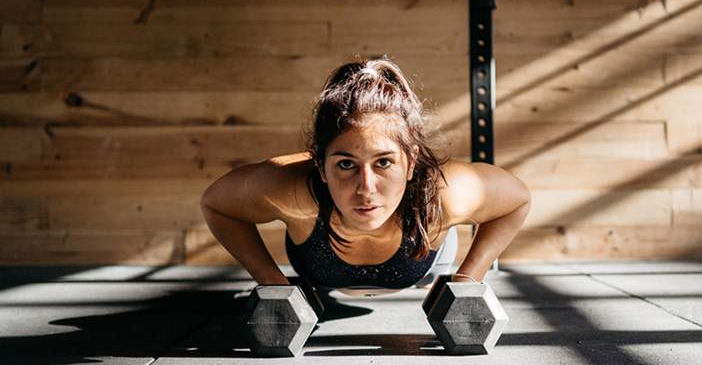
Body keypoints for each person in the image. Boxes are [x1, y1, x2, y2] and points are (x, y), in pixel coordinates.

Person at [200, 56, 531, 300]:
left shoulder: (444, 193)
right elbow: (217, 204)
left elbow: (517, 200)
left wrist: (467, 280)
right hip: (321, 279)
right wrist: (271, 284)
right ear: (320, 165)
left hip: (426, 267)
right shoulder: (291, 189)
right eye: (346, 165)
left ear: (412, 160)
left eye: (384, 162)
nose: (366, 188)